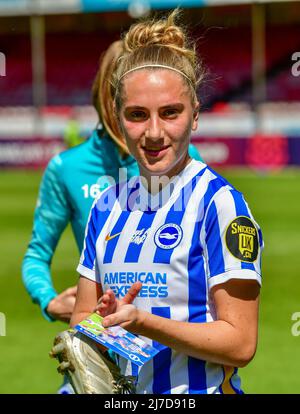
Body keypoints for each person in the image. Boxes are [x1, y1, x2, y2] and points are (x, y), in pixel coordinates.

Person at [70, 9, 263, 394]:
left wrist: (143, 323)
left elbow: (241, 343)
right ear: (119, 118)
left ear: (194, 115)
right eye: (138, 115)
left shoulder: (219, 205)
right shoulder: (106, 207)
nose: (154, 132)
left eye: (170, 113)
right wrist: (102, 322)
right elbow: (82, 322)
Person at [22, 39, 203, 393]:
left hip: (169, 361)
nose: (150, 127)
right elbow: (35, 255)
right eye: (130, 106)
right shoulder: (67, 168)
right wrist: (48, 299)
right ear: (108, 97)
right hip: (98, 350)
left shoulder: (180, 157)